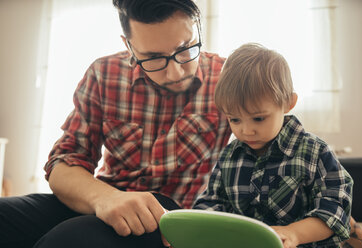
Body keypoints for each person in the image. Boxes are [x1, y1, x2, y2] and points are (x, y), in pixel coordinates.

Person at [0, 0, 231, 247]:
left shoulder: (228, 78)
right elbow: (63, 162)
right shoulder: (104, 73)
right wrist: (106, 198)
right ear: (128, 45)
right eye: (153, 58)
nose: (175, 72)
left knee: (68, 239)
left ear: (198, 28)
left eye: (185, 49)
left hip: (171, 219)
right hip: (105, 199)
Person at [193, 43, 353, 248]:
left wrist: (294, 233)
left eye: (258, 119)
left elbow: (335, 211)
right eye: (235, 120)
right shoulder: (229, 156)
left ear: (288, 102)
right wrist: (198, 225)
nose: (246, 131)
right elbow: (211, 202)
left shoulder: (315, 152)